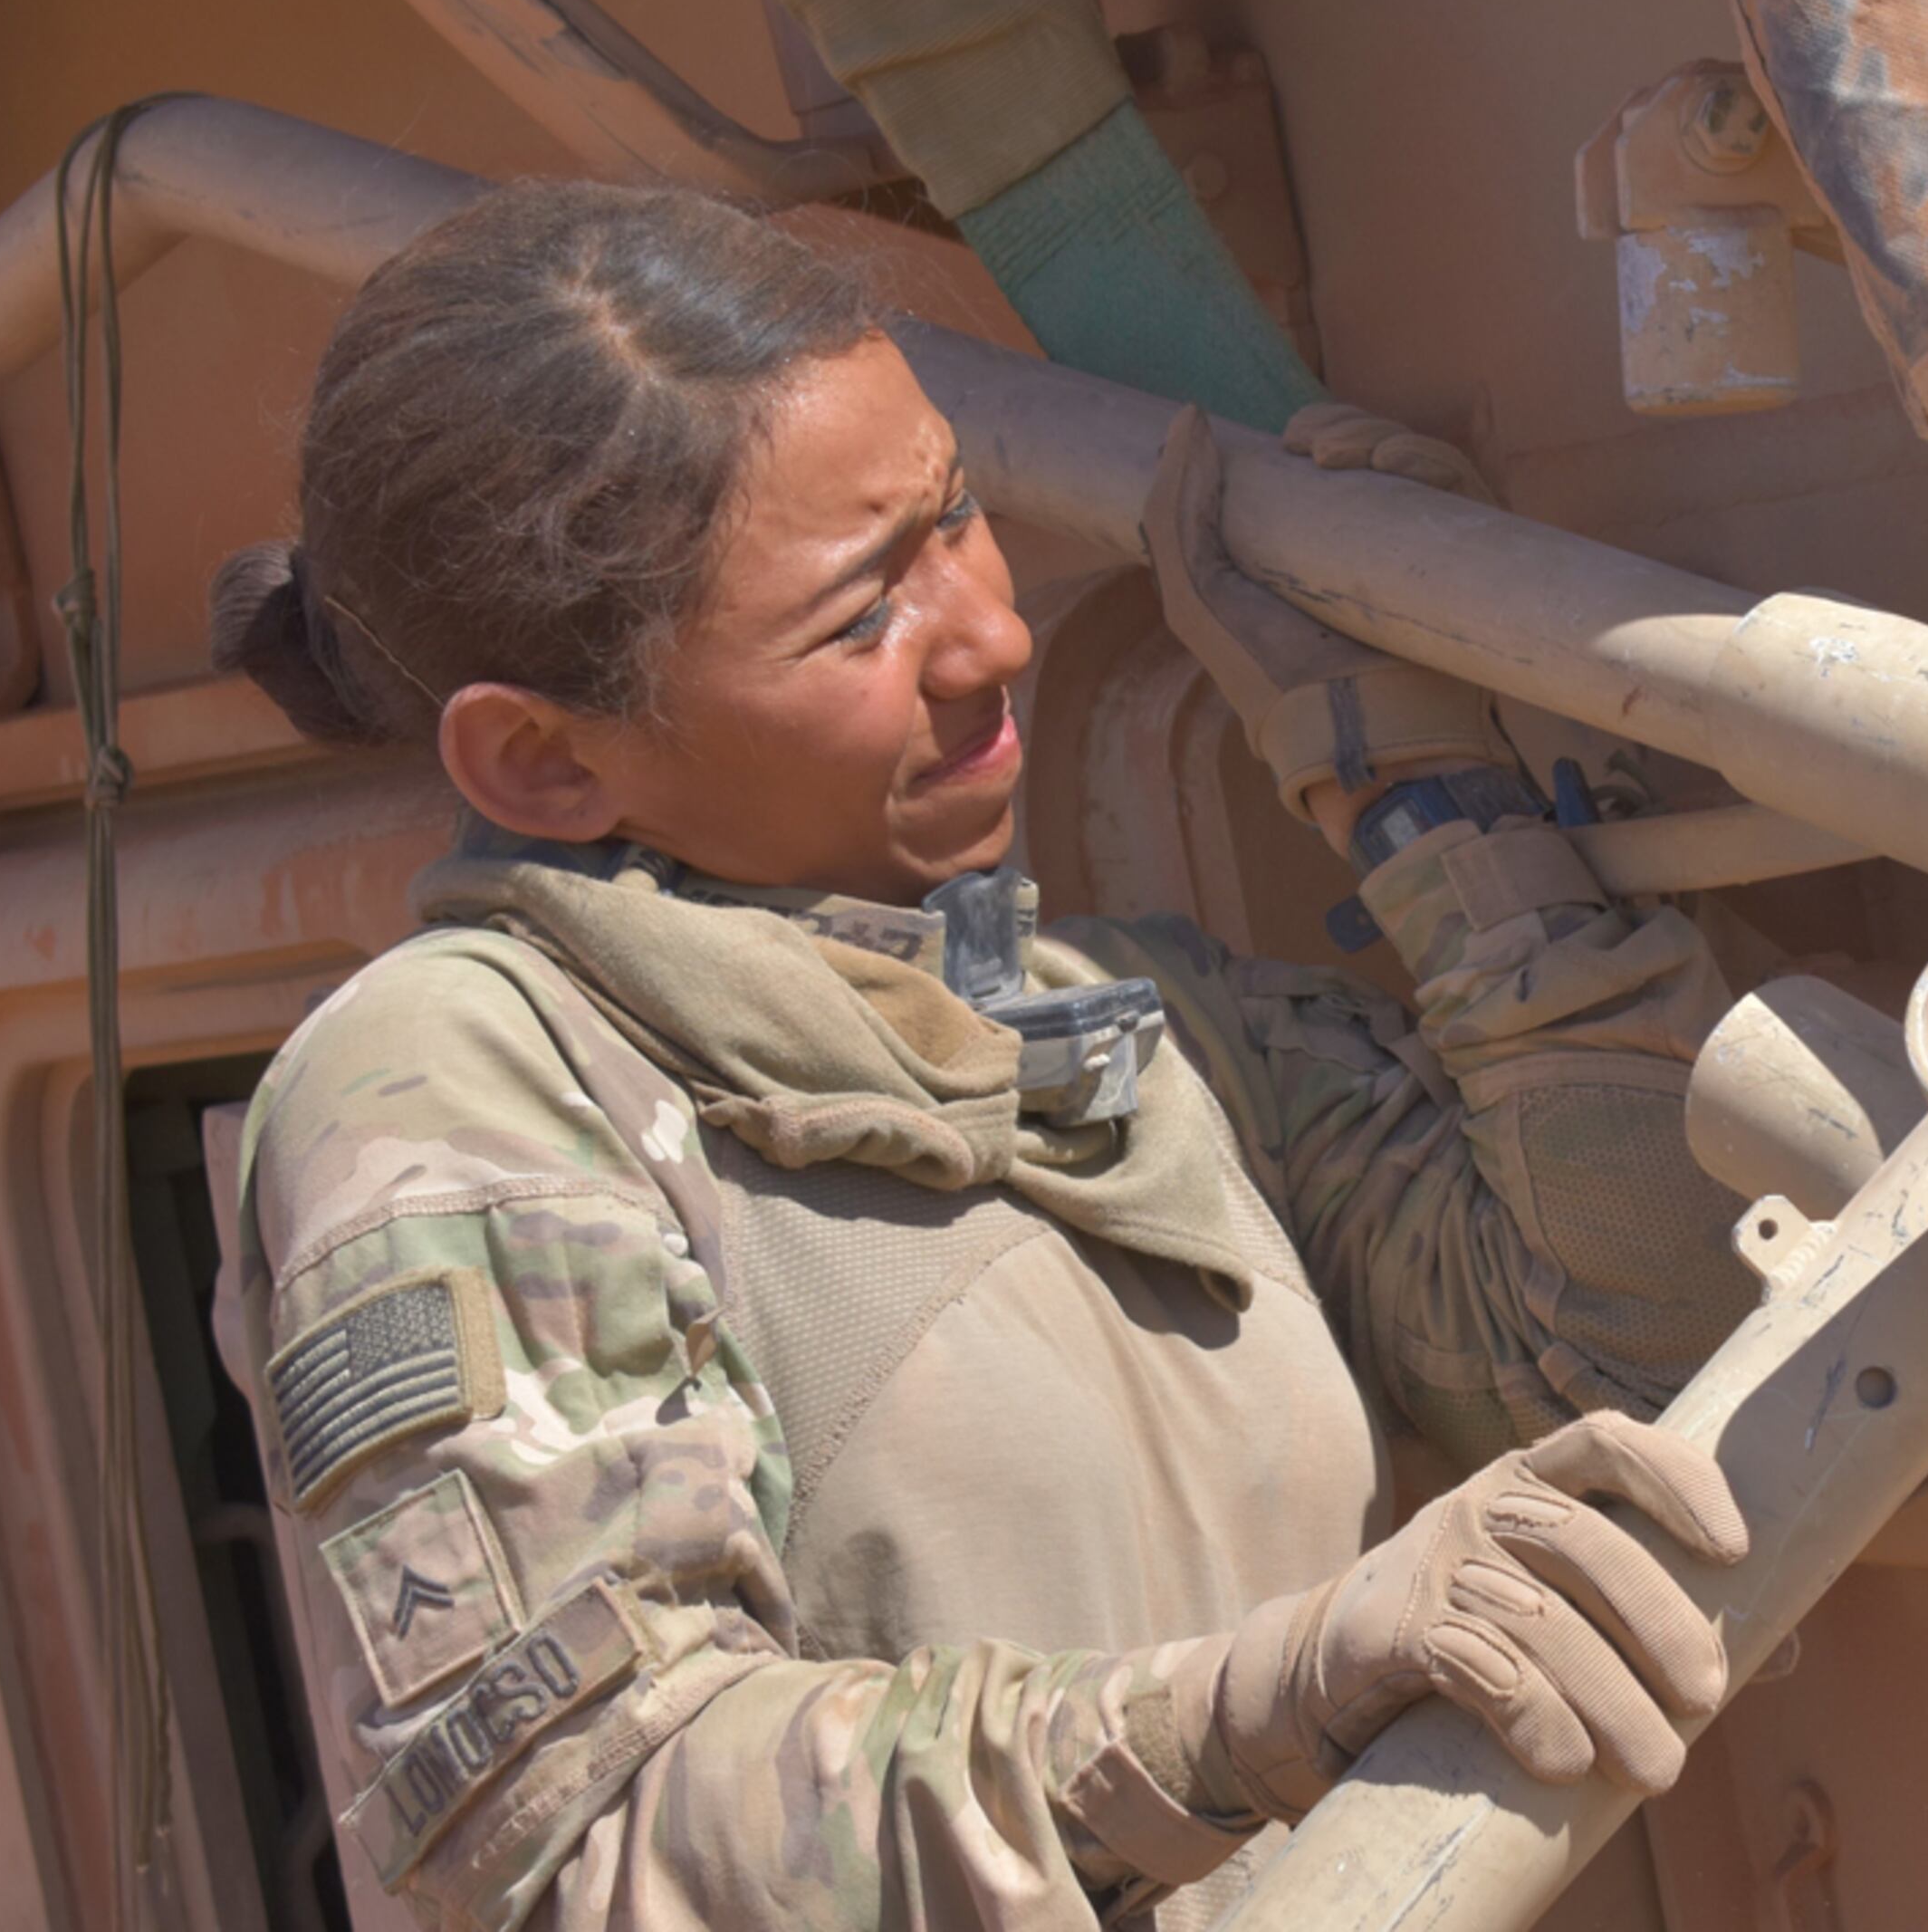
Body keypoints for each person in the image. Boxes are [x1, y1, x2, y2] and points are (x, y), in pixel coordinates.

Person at [212, 180, 1764, 1932]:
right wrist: (1241, 1716)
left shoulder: (1108, 1023)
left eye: (956, 517)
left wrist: (1424, 774)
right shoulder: (469, 1086)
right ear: (550, 767)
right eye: (861, 614)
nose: (994, 632)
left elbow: (1617, 1356)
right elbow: (595, 1845)